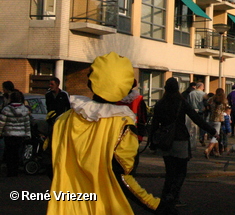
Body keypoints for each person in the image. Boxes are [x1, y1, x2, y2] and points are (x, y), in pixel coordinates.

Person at [47, 52, 162, 214]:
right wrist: (156, 205)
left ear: (91, 81)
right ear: (126, 87)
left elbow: (49, 162)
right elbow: (123, 178)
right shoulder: (123, 126)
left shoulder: (63, 120)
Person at [149, 77, 217, 210]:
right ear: (178, 88)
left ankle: (165, 196)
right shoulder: (181, 102)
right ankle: (173, 196)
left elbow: (154, 124)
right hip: (180, 138)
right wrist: (212, 131)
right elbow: (196, 118)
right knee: (181, 171)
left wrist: (152, 141)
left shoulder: (160, 103)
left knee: (169, 171)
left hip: (165, 140)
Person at [0, 90, 31, 177]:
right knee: (17, 153)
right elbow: (27, 124)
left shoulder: (6, 109)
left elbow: (2, 123)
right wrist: (28, 134)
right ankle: (15, 171)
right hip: (20, 135)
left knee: (9, 153)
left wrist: (0, 132)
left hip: (9, 135)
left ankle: (10, 171)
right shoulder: (25, 110)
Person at [204, 88, 226, 159]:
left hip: (211, 119)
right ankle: (208, 149)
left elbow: (206, 104)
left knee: (213, 134)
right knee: (216, 136)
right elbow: (226, 108)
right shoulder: (224, 101)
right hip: (219, 120)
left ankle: (216, 152)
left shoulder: (211, 99)